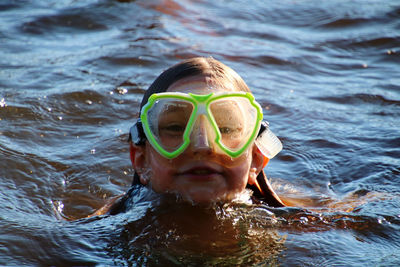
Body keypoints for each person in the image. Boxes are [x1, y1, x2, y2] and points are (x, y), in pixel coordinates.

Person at [92, 57, 285, 216]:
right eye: (176, 127)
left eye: (226, 129)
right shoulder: (97, 233)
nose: (202, 146)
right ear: (141, 160)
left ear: (257, 159)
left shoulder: (302, 223)